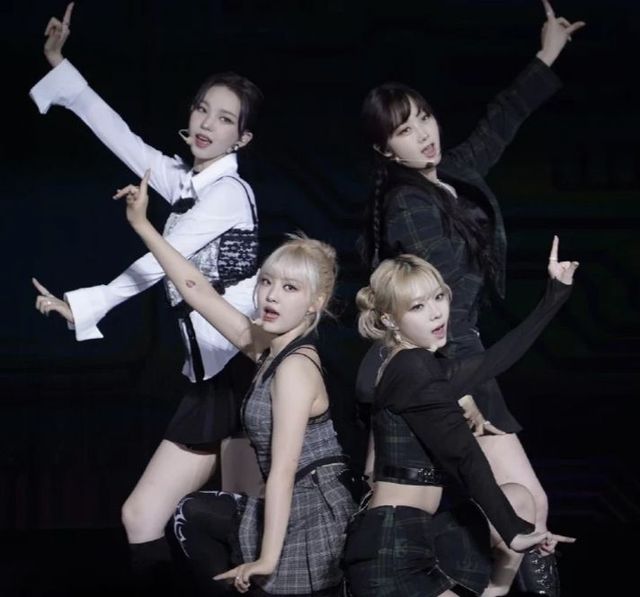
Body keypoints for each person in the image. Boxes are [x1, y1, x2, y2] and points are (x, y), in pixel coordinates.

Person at [30, 4, 263, 591]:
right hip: (215, 378)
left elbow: (161, 261)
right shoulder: (189, 181)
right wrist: (61, 69)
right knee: (152, 519)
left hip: (244, 372)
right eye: (202, 109)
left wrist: (83, 306)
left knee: (244, 534)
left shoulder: (228, 193)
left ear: (242, 137)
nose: (207, 123)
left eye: (225, 119)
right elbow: (125, 141)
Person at [357, 2, 585, 593]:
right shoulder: (407, 205)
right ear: (387, 151)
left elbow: (498, 123)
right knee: (522, 508)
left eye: (424, 118)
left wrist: (547, 54)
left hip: (465, 355)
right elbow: (430, 309)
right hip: (450, 360)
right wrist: (455, 388)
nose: (423, 134)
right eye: (405, 131)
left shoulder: (449, 173)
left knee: (526, 507)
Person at [113, 171, 357, 595]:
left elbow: (283, 471)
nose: (271, 295)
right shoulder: (266, 348)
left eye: (290, 287)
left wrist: (268, 559)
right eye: (266, 281)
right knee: (192, 513)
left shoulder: (295, 368)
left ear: (315, 303)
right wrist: (142, 224)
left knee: (201, 520)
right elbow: (197, 290)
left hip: (312, 516)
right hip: (287, 506)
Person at [346, 238, 577, 597]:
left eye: (439, 297)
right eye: (418, 306)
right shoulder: (412, 367)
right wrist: (514, 533)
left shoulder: (413, 364)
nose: (437, 313)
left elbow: (494, 361)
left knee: (519, 497)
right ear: (389, 319)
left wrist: (555, 294)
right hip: (391, 553)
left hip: (415, 541)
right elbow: (465, 456)